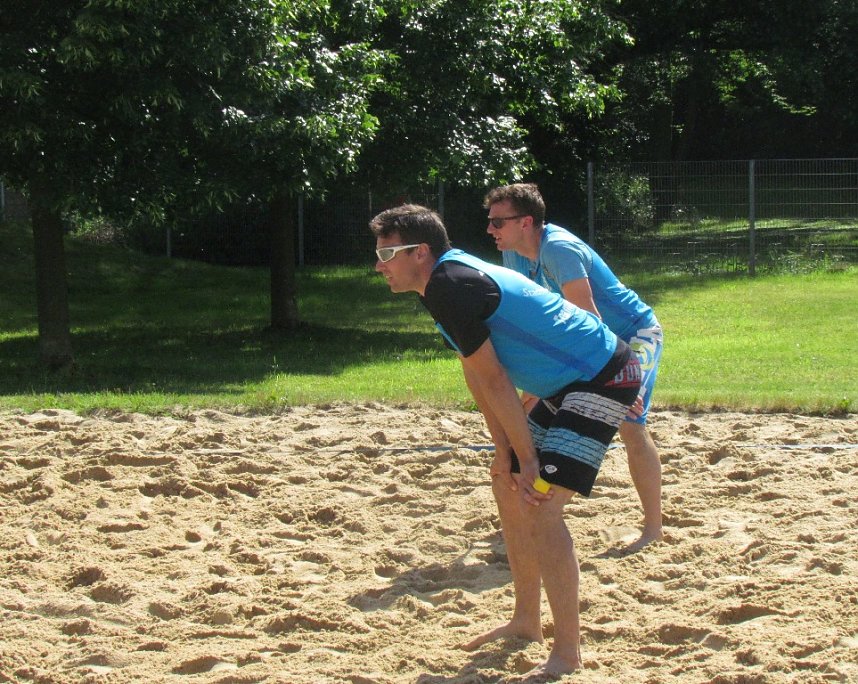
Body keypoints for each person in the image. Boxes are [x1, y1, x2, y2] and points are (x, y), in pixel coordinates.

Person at [370, 204, 641, 677]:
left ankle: (568, 654)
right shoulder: (440, 285)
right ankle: (525, 621)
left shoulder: (450, 284)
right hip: (565, 380)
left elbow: (497, 380)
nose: (379, 265)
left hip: (604, 375)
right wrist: (504, 451)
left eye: (389, 253)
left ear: (422, 253)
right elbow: (477, 372)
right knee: (508, 485)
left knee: (540, 503)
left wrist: (529, 456)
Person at [484, 182, 664, 554]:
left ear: (526, 222)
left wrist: (620, 381)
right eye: (490, 222)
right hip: (582, 343)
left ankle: (652, 528)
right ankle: (532, 512)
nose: (490, 230)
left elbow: (591, 321)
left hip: (630, 335)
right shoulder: (515, 254)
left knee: (630, 424)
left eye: (498, 222)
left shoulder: (559, 249)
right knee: (531, 414)